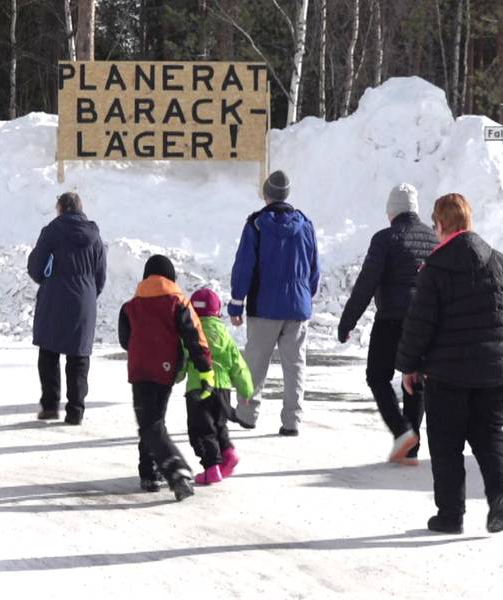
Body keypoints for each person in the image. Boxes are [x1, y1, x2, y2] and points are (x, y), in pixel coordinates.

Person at [396, 193, 503, 534]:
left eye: (435, 224)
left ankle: (450, 515)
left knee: (446, 446)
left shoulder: (435, 268)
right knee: (490, 439)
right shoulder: (498, 261)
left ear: (441, 224)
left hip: (447, 374)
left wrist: (408, 365)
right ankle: (500, 500)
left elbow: (420, 323)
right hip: (492, 373)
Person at [338, 183, 437, 464]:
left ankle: (402, 432)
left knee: (378, 376)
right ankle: (411, 448)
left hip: (391, 319)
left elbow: (366, 283)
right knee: (415, 379)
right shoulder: (433, 239)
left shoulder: (385, 238)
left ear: (392, 211)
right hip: (424, 322)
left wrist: (348, 322)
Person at [228, 170, 319, 436]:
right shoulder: (305, 225)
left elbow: (244, 267)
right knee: (295, 366)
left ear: (266, 194)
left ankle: (247, 414)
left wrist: (236, 303)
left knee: (255, 364)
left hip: (264, 307)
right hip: (297, 308)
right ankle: (292, 421)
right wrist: (305, 296)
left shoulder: (256, 225)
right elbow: (314, 268)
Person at [118, 255, 214, 501]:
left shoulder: (130, 306)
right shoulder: (178, 302)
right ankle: (172, 470)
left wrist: (142, 347)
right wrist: (205, 368)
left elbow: (124, 340)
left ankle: (153, 471)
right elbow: (194, 335)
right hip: (165, 369)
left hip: (140, 370)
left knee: (149, 422)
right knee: (154, 420)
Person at [27, 192, 106, 425]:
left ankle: (50, 406)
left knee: (49, 352)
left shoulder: (51, 232)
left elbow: (35, 268)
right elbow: (101, 274)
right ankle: (75, 410)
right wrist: (89, 293)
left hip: (54, 298)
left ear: (60, 208)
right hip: (84, 300)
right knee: (79, 356)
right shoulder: (94, 236)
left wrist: (48, 281)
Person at [179, 288, 254, 485]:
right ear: (217, 311)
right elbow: (238, 364)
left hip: (199, 388)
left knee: (202, 430)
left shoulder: (190, 332)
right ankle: (228, 453)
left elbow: (182, 359)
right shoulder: (224, 335)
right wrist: (246, 389)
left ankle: (212, 468)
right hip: (223, 388)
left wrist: (175, 377)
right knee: (219, 425)